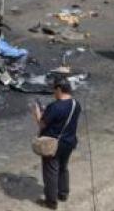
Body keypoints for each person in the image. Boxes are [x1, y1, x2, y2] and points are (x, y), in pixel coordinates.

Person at [31, 79, 82, 210]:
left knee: (51, 172)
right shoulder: (77, 104)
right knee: (63, 168)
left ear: (59, 89)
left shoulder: (54, 107)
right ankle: (63, 194)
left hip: (53, 144)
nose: (54, 93)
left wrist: (37, 113)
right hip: (69, 142)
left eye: (54, 90)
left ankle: (51, 202)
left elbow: (42, 124)